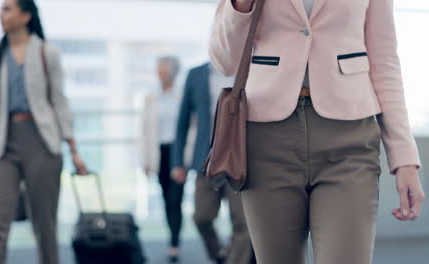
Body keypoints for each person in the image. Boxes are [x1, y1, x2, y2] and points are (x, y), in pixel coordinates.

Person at [209, 0, 426, 264]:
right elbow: (225, 61)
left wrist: (404, 158)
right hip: (267, 141)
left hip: (349, 139)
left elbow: (385, 61)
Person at [0, 1, 88, 264]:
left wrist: (73, 150)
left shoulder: (46, 53)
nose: (1, 14)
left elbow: (59, 102)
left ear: (26, 16)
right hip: (2, 144)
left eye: (8, 8)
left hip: (41, 142)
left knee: (45, 224)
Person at [171, 62, 254, 264]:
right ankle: (220, 255)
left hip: (240, 158)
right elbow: (182, 122)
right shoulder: (196, 74)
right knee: (201, 217)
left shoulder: (249, 69)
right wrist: (177, 162)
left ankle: (237, 260)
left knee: (242, 222)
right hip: (205, 159)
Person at [136, 56, 184, 263]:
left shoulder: (182, 94)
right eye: (158, 71)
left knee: (176, 198)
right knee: (166, 198)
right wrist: (145, 160)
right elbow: (144, 130)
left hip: (177, 151)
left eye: (163, 71)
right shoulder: (150, 96)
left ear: (173, 72)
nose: (160, 75)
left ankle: (174, 242)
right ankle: (172, 238)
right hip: (159, 152)